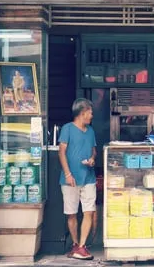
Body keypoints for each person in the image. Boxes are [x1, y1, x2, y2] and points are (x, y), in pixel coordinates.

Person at [58, 98, 97, 260]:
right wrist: (68, 174)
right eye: (90, 112)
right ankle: (75, 244)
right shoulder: (67, 129)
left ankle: (81, 247)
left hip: (89, 177)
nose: (92, 115)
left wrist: (93, 159)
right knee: (72, 214)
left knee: (88, 211)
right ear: (83, 113)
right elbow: (61, 152)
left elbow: (94, 151)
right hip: (70, 180)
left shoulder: (91, 131)